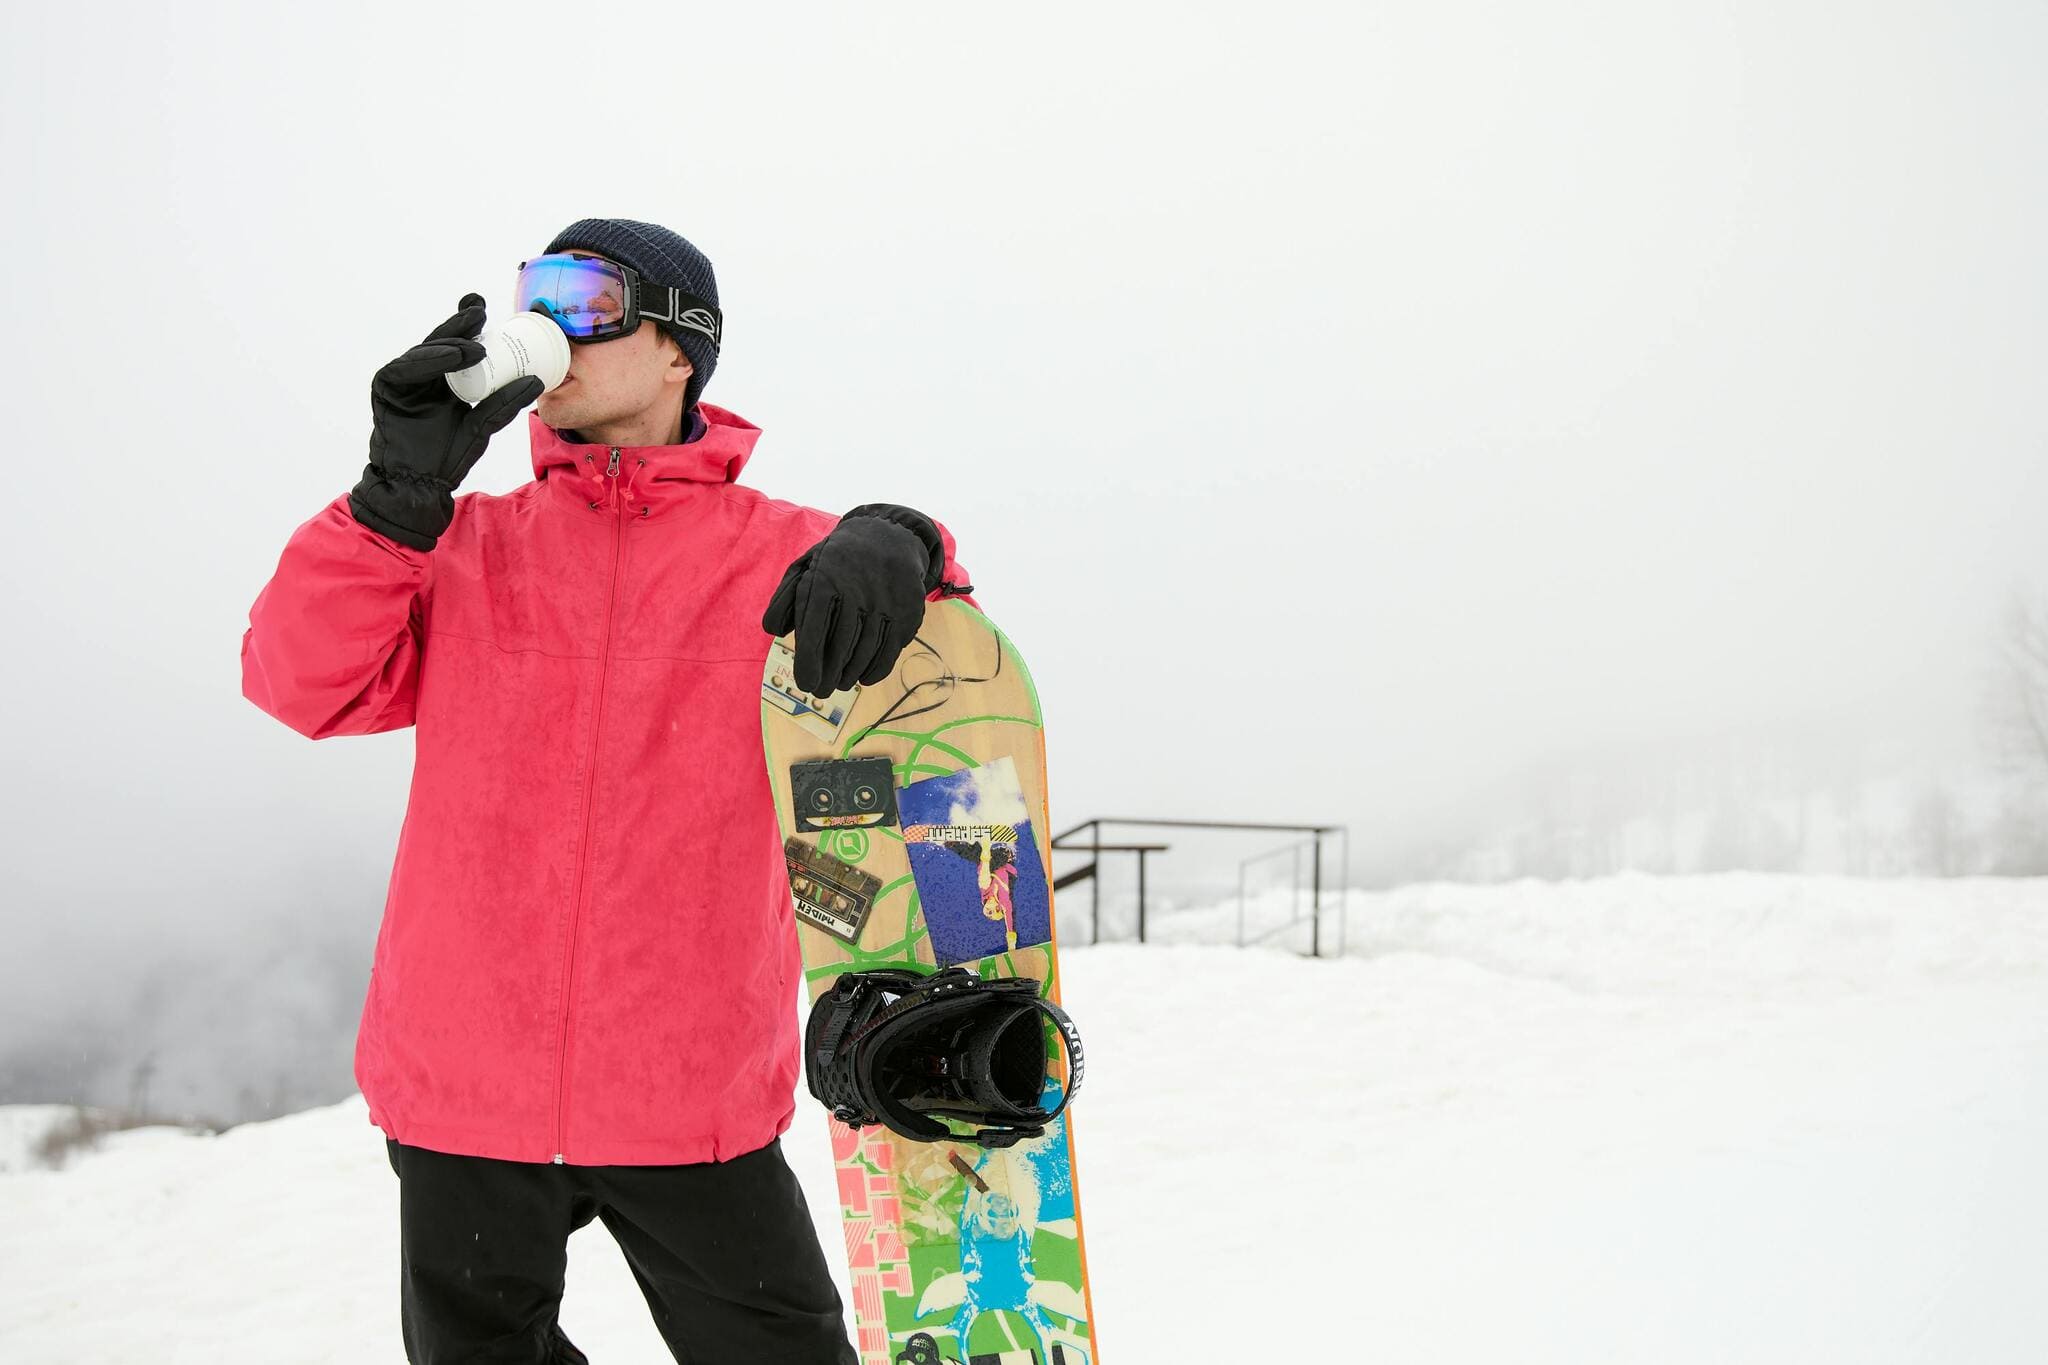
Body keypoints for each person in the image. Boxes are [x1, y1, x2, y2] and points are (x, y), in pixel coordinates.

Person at [238, 217, 977, 1363]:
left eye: (584, 301)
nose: (547, 326)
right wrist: (388, 502)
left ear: (681, 347)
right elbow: (298, 683)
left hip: (685, 1085)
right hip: (462, 1082)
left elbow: (938, 668)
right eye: (533, 292)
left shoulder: (779, 558)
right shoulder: (462, 547)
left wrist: (905, 541)